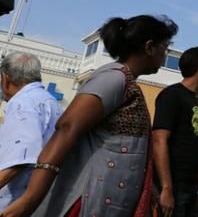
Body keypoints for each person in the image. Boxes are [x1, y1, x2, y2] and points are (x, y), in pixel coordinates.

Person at [0, 15, 177, 217]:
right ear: (149, 47)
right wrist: (31, 198)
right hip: (87, 203)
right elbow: (66, 129)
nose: (165, 55)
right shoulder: (114, 78)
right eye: (165, 48)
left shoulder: (127, 82)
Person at [153, 46, 198, 217]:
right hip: (173, 186)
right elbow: (159, 140)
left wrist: (196, 193)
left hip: (190, 189)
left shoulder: (195, 101)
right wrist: (166, 188)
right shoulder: (172, 95)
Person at [0, 53, 63, 210]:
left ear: (5, 78)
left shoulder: (22, 104)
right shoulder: (51, 102)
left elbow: (19, 160)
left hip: (14, 202)